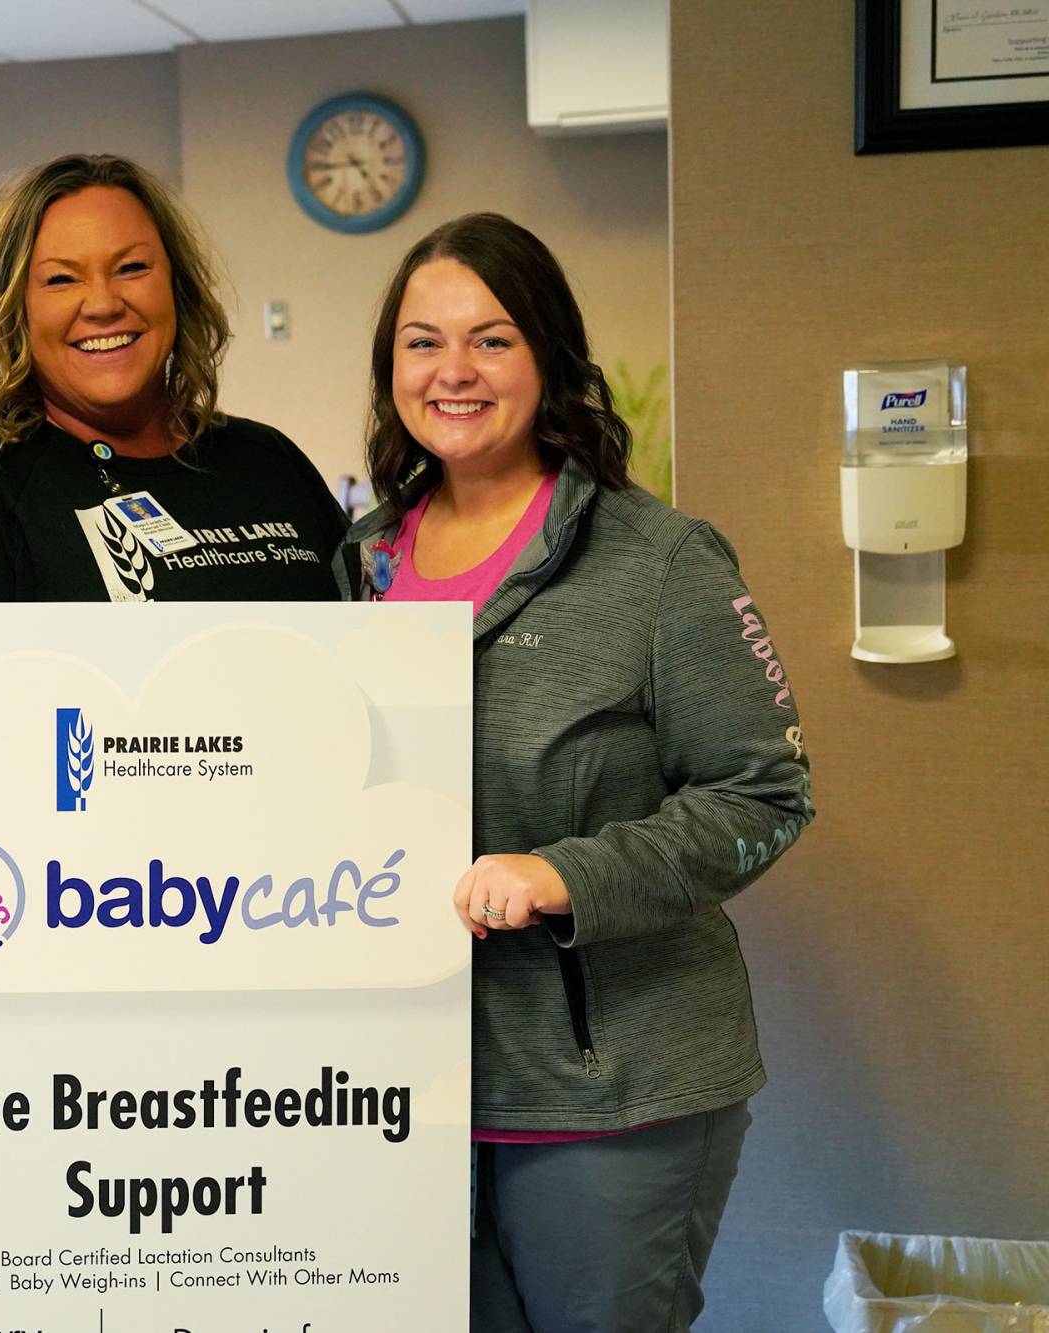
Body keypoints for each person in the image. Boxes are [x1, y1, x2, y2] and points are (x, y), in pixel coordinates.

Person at [337, 212, 813, 1332]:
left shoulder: (656, 560)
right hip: (405, 1088)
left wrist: (561, 876)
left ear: (548, 358)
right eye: (420, 341)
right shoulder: (359, 563)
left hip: (608, 1090)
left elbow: (762, 795)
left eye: (491, 339)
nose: (451, 371)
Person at [0, 154, 347, 602]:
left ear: (177, 286)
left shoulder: (269, 463)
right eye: (61, 279)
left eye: (132, 267)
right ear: (14, 310)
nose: (105, 305)